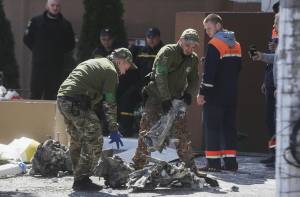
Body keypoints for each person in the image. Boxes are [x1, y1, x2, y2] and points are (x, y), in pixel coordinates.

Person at [57, 48, 136, 191]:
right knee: (95, 137)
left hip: (63, 99)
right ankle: (81, 179)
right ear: (120, 61)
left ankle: (79, 177)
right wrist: (113, 128)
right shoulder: (111, 71)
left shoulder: (97, 62)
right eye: (126, 67)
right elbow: (109, 103)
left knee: (77, 138)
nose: (125, 72)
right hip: (76, 101)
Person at [132, 28, 201, 175]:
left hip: (175, 101)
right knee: (147, 131)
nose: (190, 49)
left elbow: (194, 79)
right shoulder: (167, 52)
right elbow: (160, 76)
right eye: (187, 44)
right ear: (180, 41)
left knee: (183, 134)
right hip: (156, 97)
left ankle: (191, 169)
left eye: (193, 46)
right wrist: (165, 98)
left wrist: (189, 94)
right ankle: (137, 167)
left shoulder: (193, 59)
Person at [197, 14, 242, 172]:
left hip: (215, 95)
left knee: (212, 128)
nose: (207, 32)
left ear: (218, 25)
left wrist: (202, 93)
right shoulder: (236, 44)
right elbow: (236, 68)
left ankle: (213, 164)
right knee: (229, 127)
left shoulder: (214, 44)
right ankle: (231, 163)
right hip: (231, 94)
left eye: (209, 28)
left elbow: (209, 74)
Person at [116, 27, 164, 137]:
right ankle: (125, 130)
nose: (151, 40)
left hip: (156, 86)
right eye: (149, 37)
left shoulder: (163, 51)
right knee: (126, 98)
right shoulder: (141, 51)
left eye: (154, 37)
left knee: (152, 105)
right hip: (140, 85)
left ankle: (153, 133)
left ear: (159, 38)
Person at [23, 0, 75, 100]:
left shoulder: (65, 25)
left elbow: (70, 44)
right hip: (39, 66)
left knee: (52, 95)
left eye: (58, 6)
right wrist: (39, 51)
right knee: (35, 94)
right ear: (47, 6)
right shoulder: (36, 21)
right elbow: (27, 39)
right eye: (52, 5)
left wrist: (58, 53)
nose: (55, 8)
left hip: (56, 67)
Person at [251, 12, 279, 168]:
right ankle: (274, 153)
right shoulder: (276, 35)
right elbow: (274, 60)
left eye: (276, 22)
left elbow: (279, 58)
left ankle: (280, 155)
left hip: (280, 88)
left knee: (279, 123)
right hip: (271, 86)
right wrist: (265, 81)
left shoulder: (291, 39)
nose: (274, 26)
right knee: (270, 121)